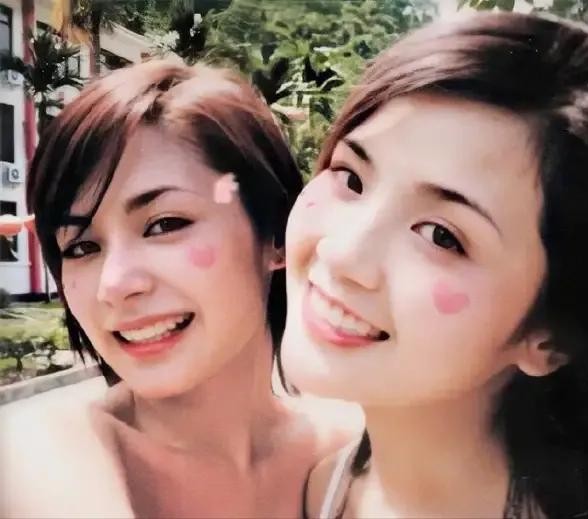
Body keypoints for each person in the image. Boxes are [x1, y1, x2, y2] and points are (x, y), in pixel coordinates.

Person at [281, 12, 588, 519]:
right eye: (352, 177)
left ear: (550, 338)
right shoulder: (321, 491)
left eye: (441, 236)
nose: (342, 253)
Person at [0, 60, 362, 518]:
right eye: (82, 247)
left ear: (276, 233)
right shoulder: (40, 457)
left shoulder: (355, 463)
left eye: (165, 224)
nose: (115, 285)